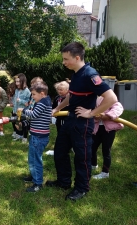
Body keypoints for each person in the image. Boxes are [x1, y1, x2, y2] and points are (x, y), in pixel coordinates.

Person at [46, 42, 118, 201]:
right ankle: (63, 182)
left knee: (82, 157)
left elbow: (111, 98)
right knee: (60, 151)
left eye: (66, 59)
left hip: (82, 124)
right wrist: (57, 108)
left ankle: (81, 188)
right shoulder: (76, 73)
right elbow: (71, 95)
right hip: (70, 120)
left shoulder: (90, 75)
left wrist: (91, 113)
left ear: (77, 57)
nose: (63, 62)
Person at [19, 81, 52, 192]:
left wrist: (24, 111)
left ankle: (38, 184)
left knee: (36, 160)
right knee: (32, 158)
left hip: (39, 137)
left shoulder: (43, 102)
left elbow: (34, 114)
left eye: (33, 94)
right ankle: (34, 176)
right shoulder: (43, 101)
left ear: (42, 93)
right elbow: (35, 118)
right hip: (35, 135)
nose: (32, 96)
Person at [91, 96, 124, 179]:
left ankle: (105, 173)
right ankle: (93, 165)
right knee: (92, 148)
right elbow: (89, 112)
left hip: (109, 130)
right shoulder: (93, 99)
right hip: (96, 128)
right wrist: (94, 115)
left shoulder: (110, 98)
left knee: (106, 150)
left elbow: (118, 108)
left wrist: (107, 115)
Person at [11, 73, 31, 143]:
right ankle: (18, 135)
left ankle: (24, 137)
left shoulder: (27, 91)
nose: (17, 83)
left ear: (23, 81)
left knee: (23, 124)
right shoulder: (17, 90)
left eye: (18, 82)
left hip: (23, 112)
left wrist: (21, 101)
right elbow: (15, 98)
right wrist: (13, 104)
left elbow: (28, 103)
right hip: (15, 110)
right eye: (16, 81)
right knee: (16, 123)